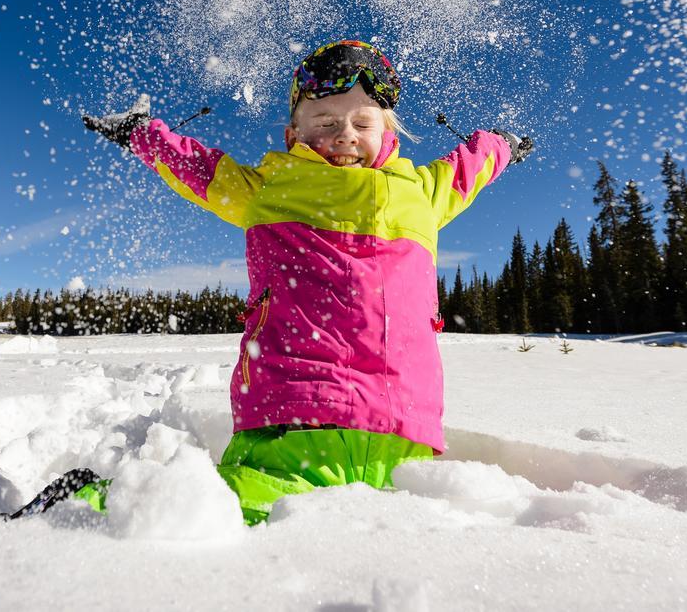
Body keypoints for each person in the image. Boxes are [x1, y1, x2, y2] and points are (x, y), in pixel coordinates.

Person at [36, 39, 532, 525]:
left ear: (389, 130)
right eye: (326, 122)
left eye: (363, 122)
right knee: (230, 516)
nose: (345, 135)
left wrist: (502, 144)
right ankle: (92, 505)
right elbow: (193, 165)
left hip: (403, 428)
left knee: (389, 543)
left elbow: (472, 166)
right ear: (294, 132)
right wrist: (141, 134)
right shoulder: (268, 189)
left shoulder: (422, 193)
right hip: (297, 412)